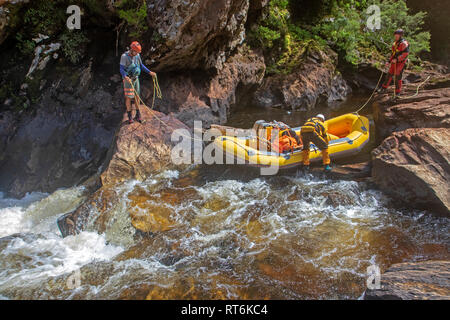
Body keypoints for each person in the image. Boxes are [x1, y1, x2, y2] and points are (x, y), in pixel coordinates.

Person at [120, 41, 156, 124]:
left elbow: (141, 65)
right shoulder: (124, 56)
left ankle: (138, 114)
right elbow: (121, 68)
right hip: (128, 79)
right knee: (129, 97)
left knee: (137, 96)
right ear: (132, 50)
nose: (137, 54)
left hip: (136, 78)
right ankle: (129, 116)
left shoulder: (137, 55)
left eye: (138, 52)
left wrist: (149, 72)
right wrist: (125, 77)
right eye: (136, 52)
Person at [379, 29, 409, 97]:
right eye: (395, 35)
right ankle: (384, 88)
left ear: (400, 35)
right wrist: (389, 61)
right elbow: (393, 54)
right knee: (389, 74)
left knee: (397, 76)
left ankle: (398, 92)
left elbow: (405, 54)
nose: (395, 36)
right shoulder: (395, 43)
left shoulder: (404, 43)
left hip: (401, 62)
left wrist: (397, 59)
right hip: (394, 62)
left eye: (397, 35)